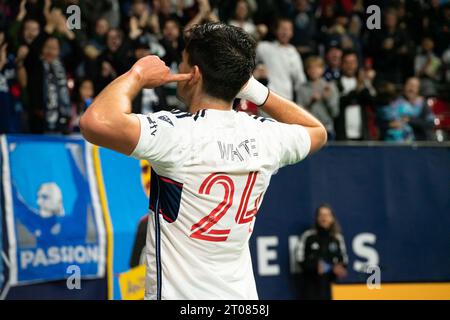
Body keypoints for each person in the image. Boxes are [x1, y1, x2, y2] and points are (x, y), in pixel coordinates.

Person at [80, 22, 327, 300]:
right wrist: (256, 91)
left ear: (194, 74)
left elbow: (95, 122)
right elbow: (317, 132)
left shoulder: (177, 133)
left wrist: (137, 75)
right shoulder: (265, 135)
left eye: (182, 63)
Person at [296, 204, 348, 300]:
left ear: (332, 218)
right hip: (310, 286)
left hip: (329, 287)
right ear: (316, 218)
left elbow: (343, 261)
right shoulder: (308, 236)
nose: (324, 218)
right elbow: (300, 259)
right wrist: (315, 266)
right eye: (321, 215)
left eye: (327, 215)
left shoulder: (337, 238)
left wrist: (339, 267)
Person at [256, 18, 306, 101]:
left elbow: (300, 80)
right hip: (265, 98)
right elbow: (246, 50)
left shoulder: (293, 53)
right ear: (276, 31)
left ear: (292, 33)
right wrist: (256, 33)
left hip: (286, 99)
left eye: (288, 29)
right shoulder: (264, 47)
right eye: (282, 29)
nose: (285, 32)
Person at [297, 56, 339, 139]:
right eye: (310, 68)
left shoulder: (330, 87)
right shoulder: (302, 88)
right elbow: (298, 114)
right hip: (308, 130)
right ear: (307, 70)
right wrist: (311, 103)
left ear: (322, 69)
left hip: (327, 130)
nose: (314, 70)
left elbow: (335, 112)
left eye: (317, 67)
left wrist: (327, 99)